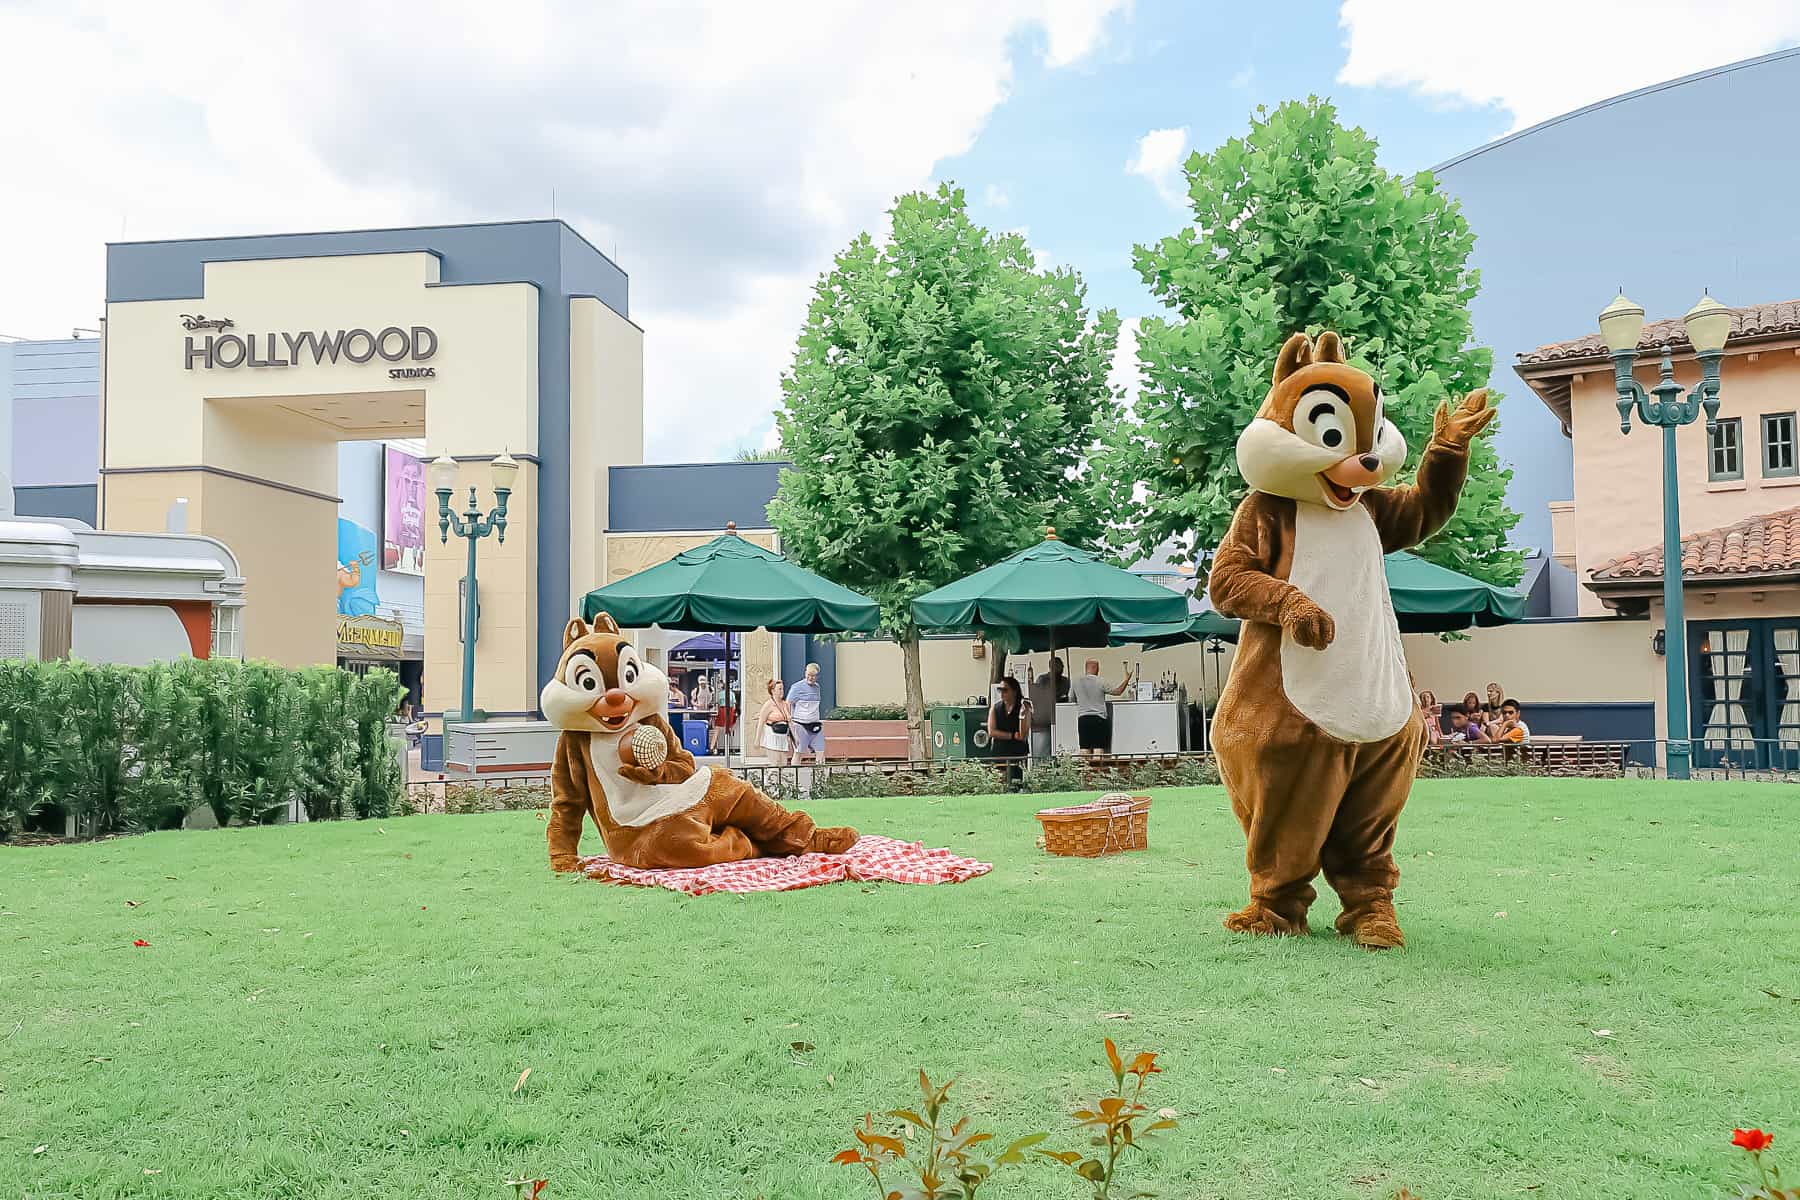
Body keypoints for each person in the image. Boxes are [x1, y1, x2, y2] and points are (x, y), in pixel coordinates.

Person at [1072, 659, 1132, 756]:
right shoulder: (1100, 681)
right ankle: (1098, 770)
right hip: (1099, 719)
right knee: (1098, 750)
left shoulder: (1076, 682)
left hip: (1083, 719)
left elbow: (1071, 698)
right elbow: (1117, 692)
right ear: (1095, 668)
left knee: (1084, 749)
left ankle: (1083, 770)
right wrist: (1127, 679)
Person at [987, 675, 1030, 787]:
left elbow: (1023, 734)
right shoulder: (995, 708)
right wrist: (1011, 735)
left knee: (1016, 782)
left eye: (1005, 690)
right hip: (999, 750)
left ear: (1014, 691)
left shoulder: (1023, 707)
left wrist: (1021, 716)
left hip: (1017, 750)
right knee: (1000, 781)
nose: (1002, 693)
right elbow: (991, 731)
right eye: (1000, 690)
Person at [1027, 655, 1067, 759]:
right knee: (1044, 749)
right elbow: (1038, 697)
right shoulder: (1043, 679)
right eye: (1058, 667)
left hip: (1063, 717)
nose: (1061, 669)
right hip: (1045, 718)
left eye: (1062, 667)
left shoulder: (1066, 681)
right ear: (1051, 667)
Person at [786, 663, 827, 765]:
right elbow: (787, 704)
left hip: (815, 724)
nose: (810, 678)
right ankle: (795, 777)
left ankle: (820, 778)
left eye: (813, 676)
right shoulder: (796, 687)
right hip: (800, 724)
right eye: (808, 675)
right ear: (805, 673)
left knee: (821, 752)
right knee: (799, 752)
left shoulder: (817, 687)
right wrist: (789, 720)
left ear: (817, 676)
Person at [757, 677, 793, 766]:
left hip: (783, 736)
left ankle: (781, 779)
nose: (782, 691)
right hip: (772, 735)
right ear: (773, 691)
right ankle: (770, 779)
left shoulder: (786, 704)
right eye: (779, 689)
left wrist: (794, 738)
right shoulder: (769, 704)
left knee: (784, 763)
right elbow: (761, 721)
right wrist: (757, 739)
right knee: (775, 762)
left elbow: (790, 722)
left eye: (782, 689)